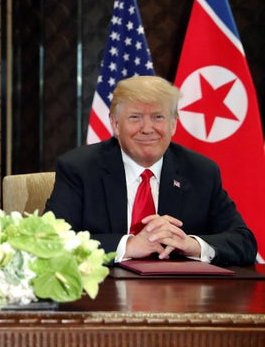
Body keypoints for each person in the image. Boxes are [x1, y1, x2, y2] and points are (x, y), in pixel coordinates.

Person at [45, 75, 256, 266]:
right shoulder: (79, 168)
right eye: (135, 117)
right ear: (115, 124)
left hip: (180, 298)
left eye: (158, 117)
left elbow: (244, 243)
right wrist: (128, 246)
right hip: (105, 293)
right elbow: (50, 240)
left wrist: (192, 245)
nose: (147, 129)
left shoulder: (201, 171)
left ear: (173, 124)